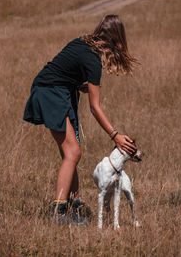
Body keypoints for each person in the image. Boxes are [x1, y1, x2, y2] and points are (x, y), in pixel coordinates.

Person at [23, 14, 138, 225]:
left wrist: (77, 84)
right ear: (117, 40)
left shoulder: (83, 41)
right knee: (73, 152)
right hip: (51, 93)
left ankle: (74, 203)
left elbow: (64, 69)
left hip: (55, 91)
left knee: (71, 152)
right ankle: (58, 212)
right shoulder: (93, 59)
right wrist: (116, 136)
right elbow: (95, 107)